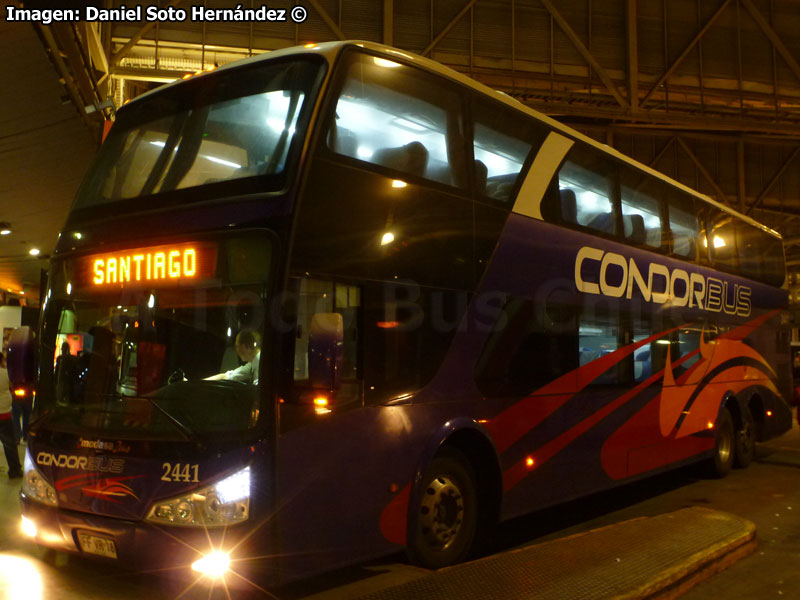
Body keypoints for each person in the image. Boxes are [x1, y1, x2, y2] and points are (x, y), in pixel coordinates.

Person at [0, 352, 23, 478]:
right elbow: (12, 387)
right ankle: (14, 470)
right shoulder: (6, 373)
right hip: (4, 414)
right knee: (9, 444)